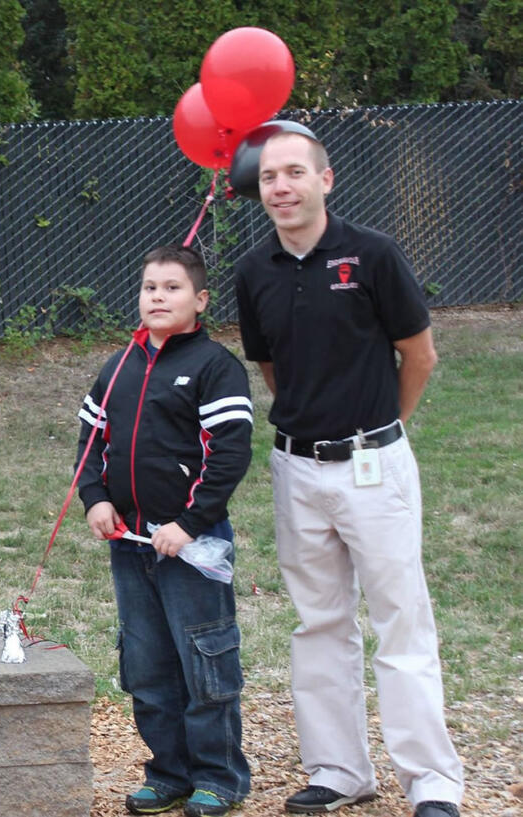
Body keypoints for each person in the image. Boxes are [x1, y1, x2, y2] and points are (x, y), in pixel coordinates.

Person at [233, 129, 464, 817]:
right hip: (297, 469)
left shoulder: (375, 254)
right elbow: (271, 367)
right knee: (319, 622)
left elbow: (418, 355)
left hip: (375, 463)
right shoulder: (254, 272)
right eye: (270, 176)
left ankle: (431, 780)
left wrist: (381, 429)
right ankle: (338, 770)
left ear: (325, 180)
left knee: (401, 618)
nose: (281, 186)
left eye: (295, 172)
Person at [77, 245, 254, 817]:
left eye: (172, 287)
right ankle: (168, 771)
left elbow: (228, 456)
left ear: (199, 300)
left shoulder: (213, 366)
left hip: (189, 543)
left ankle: (218, 776)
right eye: (150, 286)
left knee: (204, 660)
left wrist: (188, 522)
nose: (158, 296)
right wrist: (95, 500)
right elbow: (90, 443)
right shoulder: (118, 366)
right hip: (129, 544)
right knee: (148, 664)